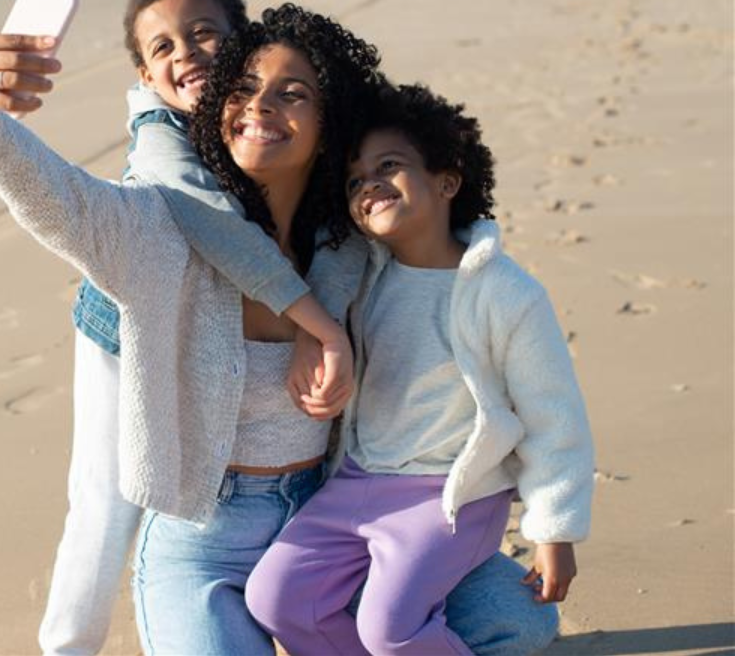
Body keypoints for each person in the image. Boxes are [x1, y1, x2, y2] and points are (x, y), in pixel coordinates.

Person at [0, 2, 561, 655]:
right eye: (243, 89)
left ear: (330, 121)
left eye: (292, 94)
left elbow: (454, 244)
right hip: (203, 543)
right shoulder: (158, 229)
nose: (259, 106)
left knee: (515, 621)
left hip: (334, 523)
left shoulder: (355, 247)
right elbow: (59, 199)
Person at [45, 0, 360, 656]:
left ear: (243, 41)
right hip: (124, 330)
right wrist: (313, 322)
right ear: (144, 75)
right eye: (163, 47)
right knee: (105, 494)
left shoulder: (260, 112)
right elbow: (215, 225)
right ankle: (69, 644)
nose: (185, 54)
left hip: (226, 322)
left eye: (204, 34)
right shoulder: (161, 134)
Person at [245, 83, 595, 655]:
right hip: (358, 480)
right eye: (355, 181)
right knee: (277, 599)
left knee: (390, 629)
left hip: (450, 498)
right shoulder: (365, 278)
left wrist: (554, 529)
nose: (369, 184)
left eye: (389, 166)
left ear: (447, 181)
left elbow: (553, 417)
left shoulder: (505, 293)